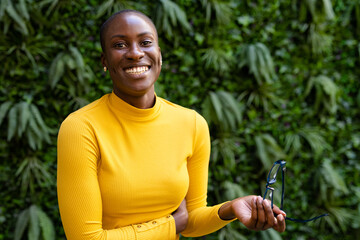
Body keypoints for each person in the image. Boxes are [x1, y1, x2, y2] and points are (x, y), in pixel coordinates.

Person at [57, 9, 286, 240]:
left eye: (145, 42)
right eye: (120, 45)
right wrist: (172, 224)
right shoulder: (81, 128)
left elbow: (192, 220)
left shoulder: (191, 124)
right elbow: (85, 237)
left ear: (159, 53)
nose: (135, 53)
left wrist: (230, 209)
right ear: (105, 61)